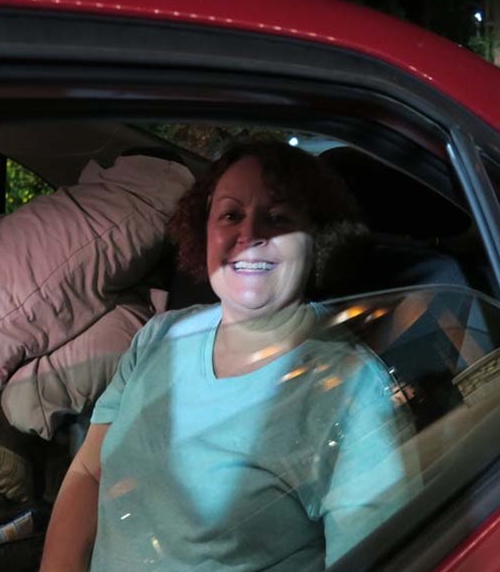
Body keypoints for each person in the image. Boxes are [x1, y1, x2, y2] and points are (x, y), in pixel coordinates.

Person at [40, 141, 413, 571]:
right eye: (231, 215)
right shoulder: (159, 336)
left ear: (317, 239)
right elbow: (89, 473)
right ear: (205, 231)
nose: (249, 235)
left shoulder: (355, 392)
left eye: (277, 218)